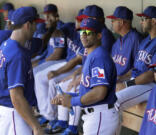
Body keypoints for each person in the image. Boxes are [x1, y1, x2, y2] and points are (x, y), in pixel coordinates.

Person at [52, 18, 119, 135]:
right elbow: (89, 91)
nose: (83, 35)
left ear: (98, 36)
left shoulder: (99, 57)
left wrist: (72, 101)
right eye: (81, 32)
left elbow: (99, 93)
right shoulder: (92, 55)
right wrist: (68, 96)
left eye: (88, 32)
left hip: (100, 117)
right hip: (96, 116)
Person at [115, 6, 156, 112]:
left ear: (154, 21)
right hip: (137, 82)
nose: (141, 22)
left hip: (151, 85)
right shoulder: (145, 41)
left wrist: (126, 84)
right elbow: (135, 68)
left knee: (115, 101)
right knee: (109, 93)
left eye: (144, 19)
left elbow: (152, 75)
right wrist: (121, 78)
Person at [0, 7, 44, 135]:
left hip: (9, 112)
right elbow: (16, 96)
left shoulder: (6, 45)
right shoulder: (17, 54)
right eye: (35, 24)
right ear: (28, 25)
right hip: (15, 114)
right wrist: (36, 126)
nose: (36, 28)